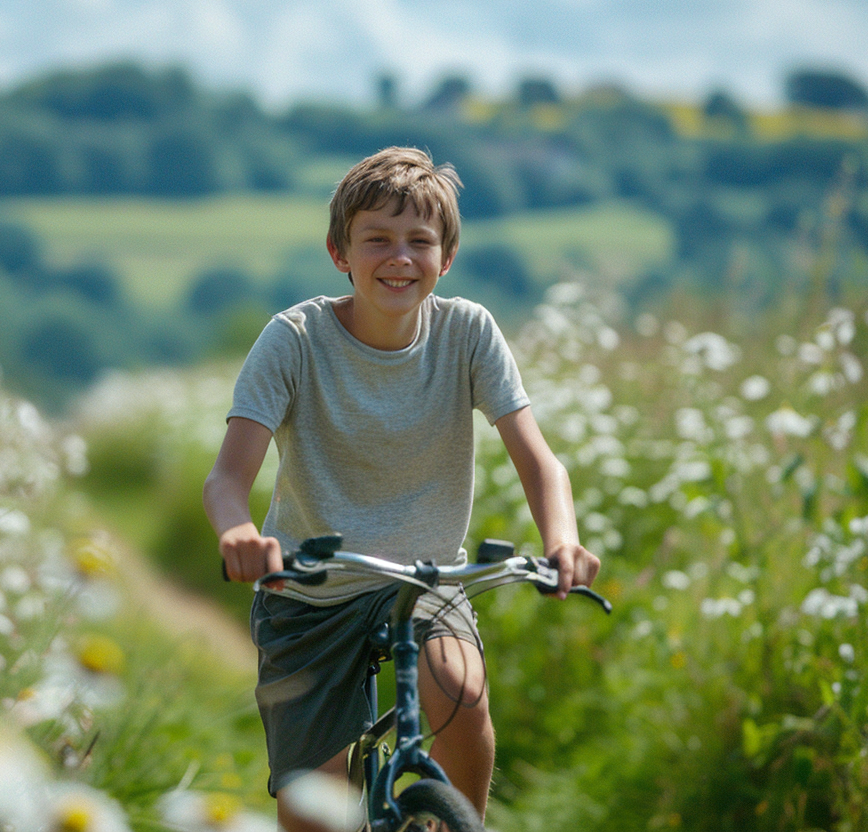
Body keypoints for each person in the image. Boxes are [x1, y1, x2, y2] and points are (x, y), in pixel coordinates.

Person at [203, 146, 600, 830]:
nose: (400, 258)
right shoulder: (293, 339)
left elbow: (539, 461)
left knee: (464, 700)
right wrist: (239, 532)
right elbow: (227, 477)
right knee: (317, 812)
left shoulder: (468, 333)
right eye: (377, 239)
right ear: (339, 252)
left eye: (420, 242)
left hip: (425, 580)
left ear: (445, 259)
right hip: (310, 589)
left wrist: (562, 541)